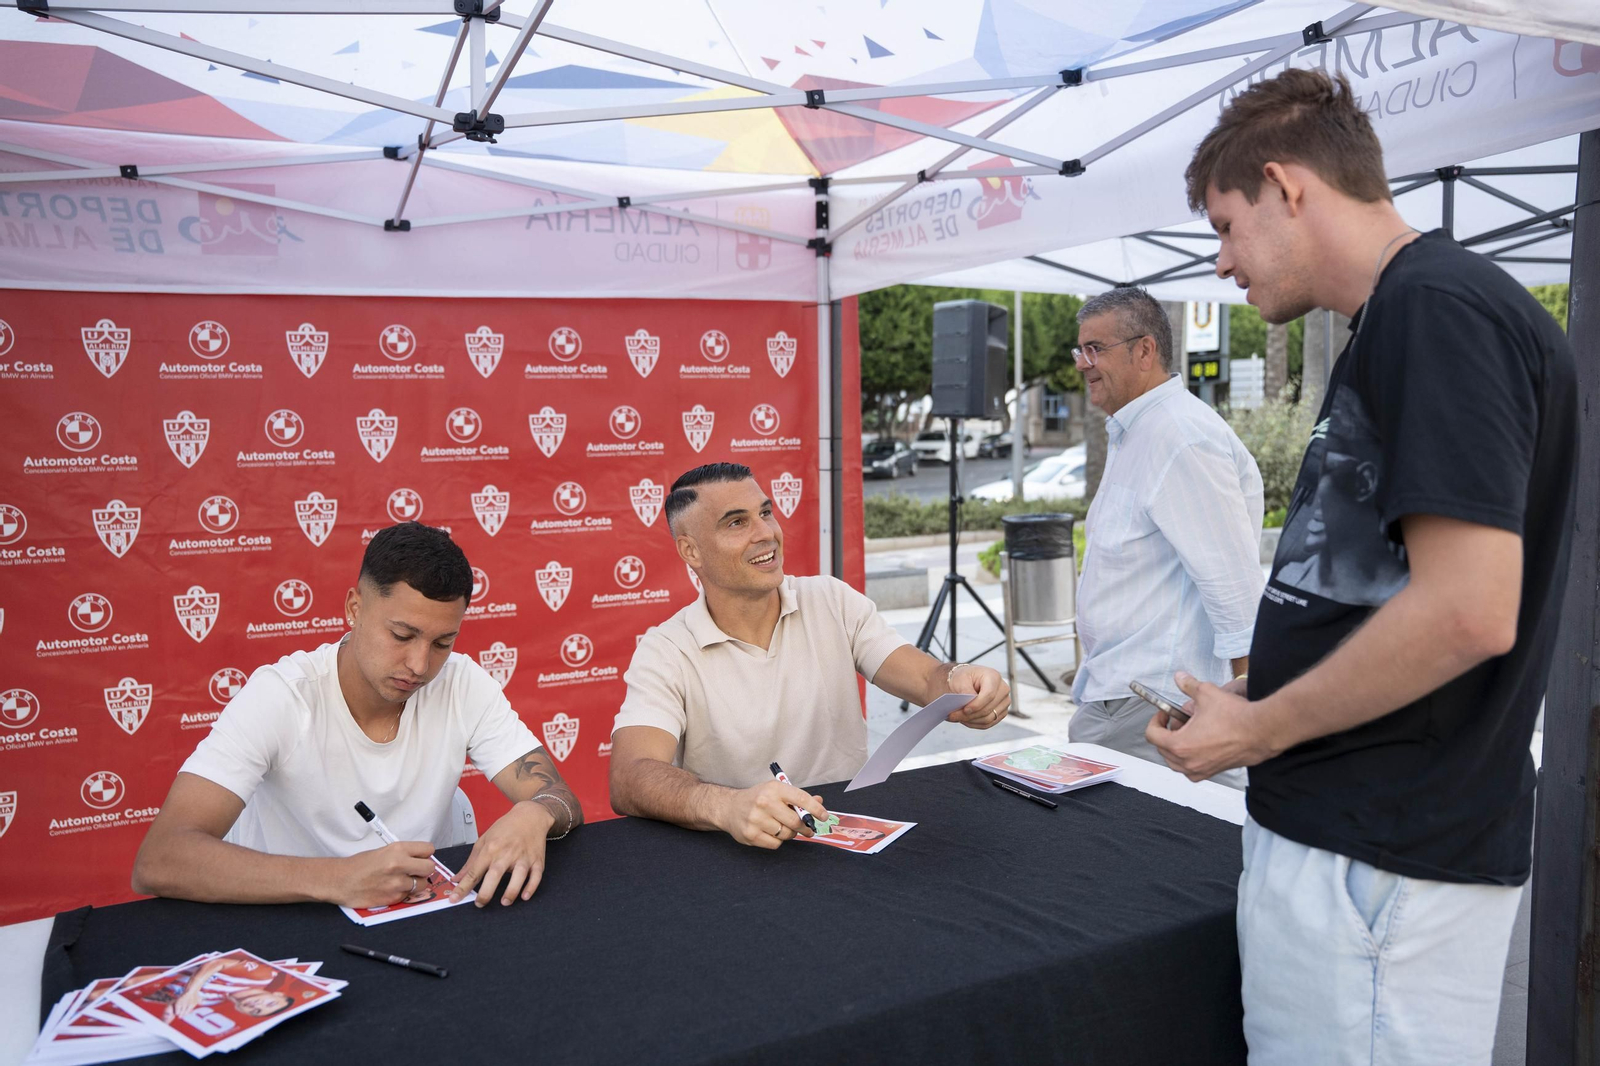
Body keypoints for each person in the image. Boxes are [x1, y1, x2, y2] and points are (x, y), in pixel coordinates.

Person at [1149, 69, 1577, 1063]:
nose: (1219, 264)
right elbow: (1385, 586)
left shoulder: (1438, 309)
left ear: (1285, 185)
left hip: (1379, 855)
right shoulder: (1408, 312)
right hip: (1362, 845)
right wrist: (1276, 674)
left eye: (1223, 224)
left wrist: (1256, 728)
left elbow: (1470, 610)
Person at [132, 522, 582, 911]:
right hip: (290, 920)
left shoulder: (462, 683)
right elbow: (161, 859)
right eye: (402, 635)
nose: (420, 665)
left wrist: (534, 813)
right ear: (354, 608)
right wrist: (337, 879)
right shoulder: (283, 696)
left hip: (427, 913)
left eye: (443, 643)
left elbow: (558, 796)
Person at [609, 462, 1011, 848]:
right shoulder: (666, 649)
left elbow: (926, 679)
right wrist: (727, 806)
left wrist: (961, 677)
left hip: (851, 833)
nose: (765, 532)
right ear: (691, 551)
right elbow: (630, 776)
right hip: (740, 855)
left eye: (765, 512)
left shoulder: (831, 599)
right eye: (736, 522)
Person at [1066, 286, 1264, 787]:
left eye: (1096, 349)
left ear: (1145, 351)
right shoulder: (1143, 430)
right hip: (1129, 702)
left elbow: (1234, 588)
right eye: (1080, 350)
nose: (1083, 363)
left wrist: (1247, 715)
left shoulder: (1180, 435)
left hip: (1149, 710)